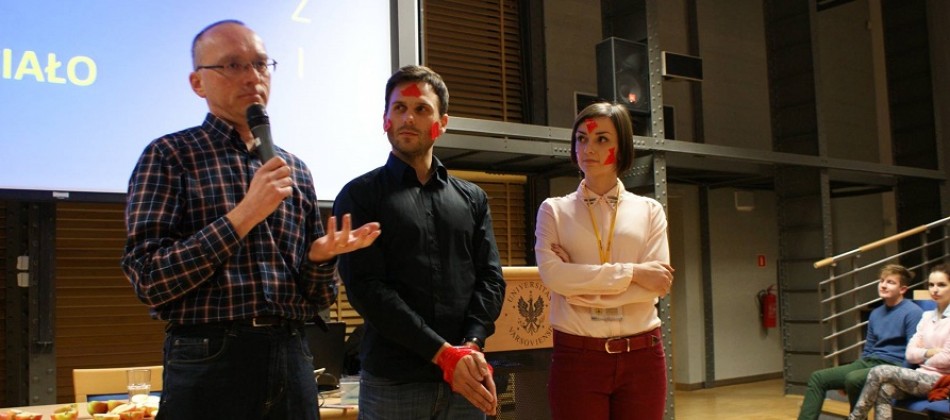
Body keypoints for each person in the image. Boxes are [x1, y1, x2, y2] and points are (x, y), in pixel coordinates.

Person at [120, 20, 380, 420]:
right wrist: (243, 215)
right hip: (211, 355)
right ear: (197, 83)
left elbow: (318, 298)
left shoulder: (294, 169)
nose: (252, 77)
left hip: (292, 351)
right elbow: (149, 279)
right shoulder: (170, 156)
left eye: (260, 64)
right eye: (233, 65)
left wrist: (320, 258)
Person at [332, 65, 507, 419]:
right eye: (399, 108)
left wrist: (471, 345)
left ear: (442, 122)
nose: (408, 118)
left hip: (464, 379)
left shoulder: (473, 198)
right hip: (394, 384)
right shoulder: (359, 196)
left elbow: (491, 280)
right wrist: (444, 355)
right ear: (385, 120)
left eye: (421, 109)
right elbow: (367, 290)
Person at [535, 102, 675, 420]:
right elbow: (553, 277)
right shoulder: (554, 211)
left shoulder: (649, 211)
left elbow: (656, 286)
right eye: (581, 138)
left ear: (621, 147)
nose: (588, 148)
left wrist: (576, 289)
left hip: (642, 356)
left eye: (602, 140)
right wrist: (634, 273)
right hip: (577, 355)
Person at [798, 264, 923, 420]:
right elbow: (868, 349)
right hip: (870, 362)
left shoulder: (913, 312)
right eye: (882, 281)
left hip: (893, 366)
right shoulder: (876, 313)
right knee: (818, 378)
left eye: (890, 282)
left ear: (903, 289)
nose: (883, 285)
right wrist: (847, 375)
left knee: (853, 379)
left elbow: (912, 353)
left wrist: (901, 378)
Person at [849, 264, 950, 420]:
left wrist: (922, 356)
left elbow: (947, 358)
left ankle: (856, 417)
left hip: (941, 380)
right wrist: (929, 352)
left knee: (880, 371)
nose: (935, 290)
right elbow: (910, 354)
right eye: (931, 285)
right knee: (885, 388)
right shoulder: (926, 316)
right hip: (919, 375)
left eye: (941, 285)